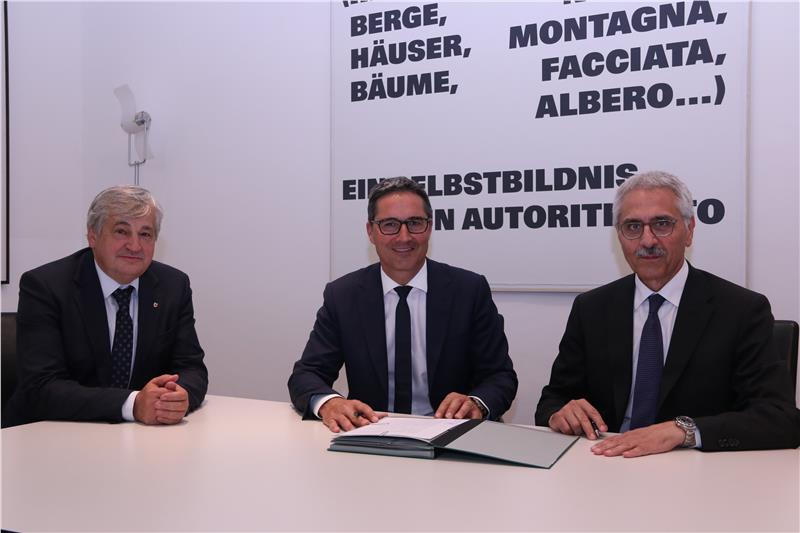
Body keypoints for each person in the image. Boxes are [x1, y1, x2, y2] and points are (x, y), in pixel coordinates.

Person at [535, 171, 800, 457]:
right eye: (633, 226)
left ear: (690, 230)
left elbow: (780, 418)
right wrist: (560, 413)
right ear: (619, 236)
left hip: (697, 471)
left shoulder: (741, 310)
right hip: (606, 462)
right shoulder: (592, 308)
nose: (647, 240)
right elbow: (553, 400)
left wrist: (683, 431)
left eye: (662, 224)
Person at [288, 177, 517, 432]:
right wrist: (330, 403)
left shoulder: (469, 290)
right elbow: (307, 374)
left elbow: (500, 376)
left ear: (429, 227)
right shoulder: (343, 295)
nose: (404, 237)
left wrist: (476, 403)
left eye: (415, 223)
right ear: (370, 232)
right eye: (390, 225)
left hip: (450, 434)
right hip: (370, 433)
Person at [3, 186, 208, 427]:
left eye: (145, 234)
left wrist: (177, 397)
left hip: (138, 436)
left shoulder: (173, 286)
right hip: (48, 433)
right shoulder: (46, 286)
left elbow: (191, 368)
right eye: (121, 231)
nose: (135, 246)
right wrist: (132, 404)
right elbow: (41, 387)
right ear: (93, 236)